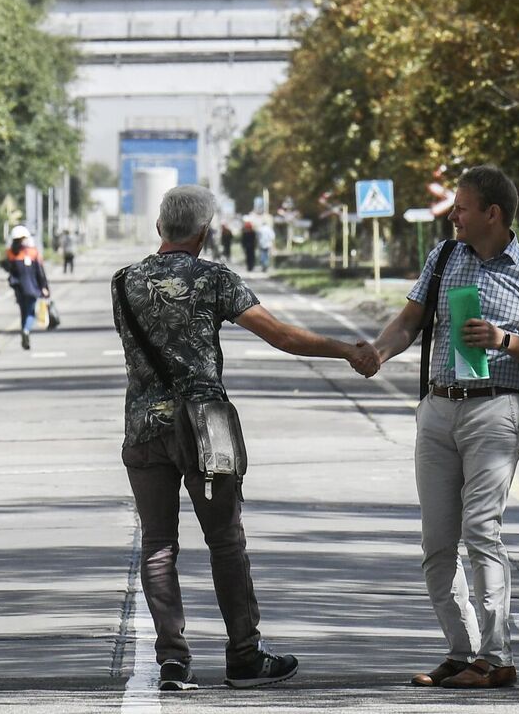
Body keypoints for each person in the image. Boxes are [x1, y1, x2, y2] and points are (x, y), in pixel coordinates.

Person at [112, 184, 379, 691]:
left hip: (144, 428)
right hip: (205, 428)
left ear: (159, 228)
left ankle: (172, 659)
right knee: (226, 541)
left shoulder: (124, 282)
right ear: (205, 233)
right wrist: (345, 349)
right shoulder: (214, 279)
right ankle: (244, 655)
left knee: (157, 545)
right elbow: (279, 335)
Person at [368, 165, 519, 690]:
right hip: (438, 407)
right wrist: (379, 352)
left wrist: (506, 341)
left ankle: (496, 655)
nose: (453, 214)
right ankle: (461, 652)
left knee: (481, 530)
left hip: (494, 408)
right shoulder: (444, 257)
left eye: (461, 206)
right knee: (437, 541)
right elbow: (411, 320)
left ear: (492, 214)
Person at [3, 225, 52, 350]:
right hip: (32, 288)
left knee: (23, 312)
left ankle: (24, 335)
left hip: (18, 289)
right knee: (31, 313)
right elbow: (40, 272)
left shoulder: (10, 253)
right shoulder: (33, 252)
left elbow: (7, 267)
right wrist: (44, 287)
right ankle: (26, 330)